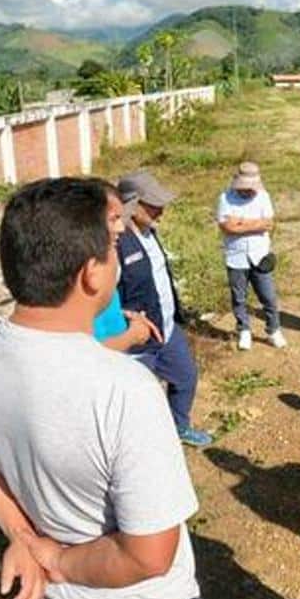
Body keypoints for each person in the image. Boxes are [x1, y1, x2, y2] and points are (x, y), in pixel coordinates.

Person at [0, 178, 200, 599]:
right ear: (92, 274)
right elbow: (149, 556)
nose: (117, 257)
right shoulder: (126, 389)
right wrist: (56, 560)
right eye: (111, 248)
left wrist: (23, 537)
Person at [116, 169, 213, 447]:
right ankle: (144, 450)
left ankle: (179, 427)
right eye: (154, 205)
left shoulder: (149, 232)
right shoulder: (116, 243)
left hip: (167, 330)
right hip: (137, 342)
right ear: (133, 205)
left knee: (185, 378)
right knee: (139, 404)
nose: (161, 211)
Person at [216, 161, 286, 351]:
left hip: (260, 254)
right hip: (236, 256)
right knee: (239, 297)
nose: (247, 191)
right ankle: (244, 330)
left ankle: (273, 329)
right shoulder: (225, 198)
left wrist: (240, 223)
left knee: (269, 296)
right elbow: (227, 227)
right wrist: (253, 224)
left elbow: (267, 224)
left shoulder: (263, 197)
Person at [93, 185, 162, 351]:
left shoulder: (105, 258)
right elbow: (88, 352)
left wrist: (125, 313)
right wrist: (132, 336)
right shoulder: (80, 274)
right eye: (113, 219)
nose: (121, 227)